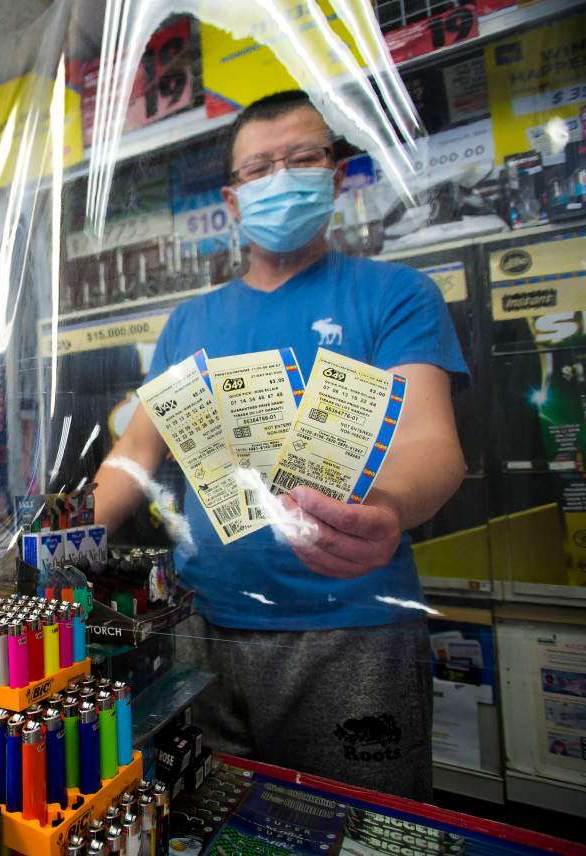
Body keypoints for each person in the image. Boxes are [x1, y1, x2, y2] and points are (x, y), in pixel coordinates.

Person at [92, 90, 467, 800]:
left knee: (360, 831)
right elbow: (134, 453)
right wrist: (61, 538)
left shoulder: (395, 295)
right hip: (203, 632)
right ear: (233, 202)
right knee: (207, 819)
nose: (283, 178)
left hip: (353, 632)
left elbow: (431, 442)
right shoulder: (188, 323)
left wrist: (386, 506)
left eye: (303, 158)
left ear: (336, 172)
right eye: (260, 169)